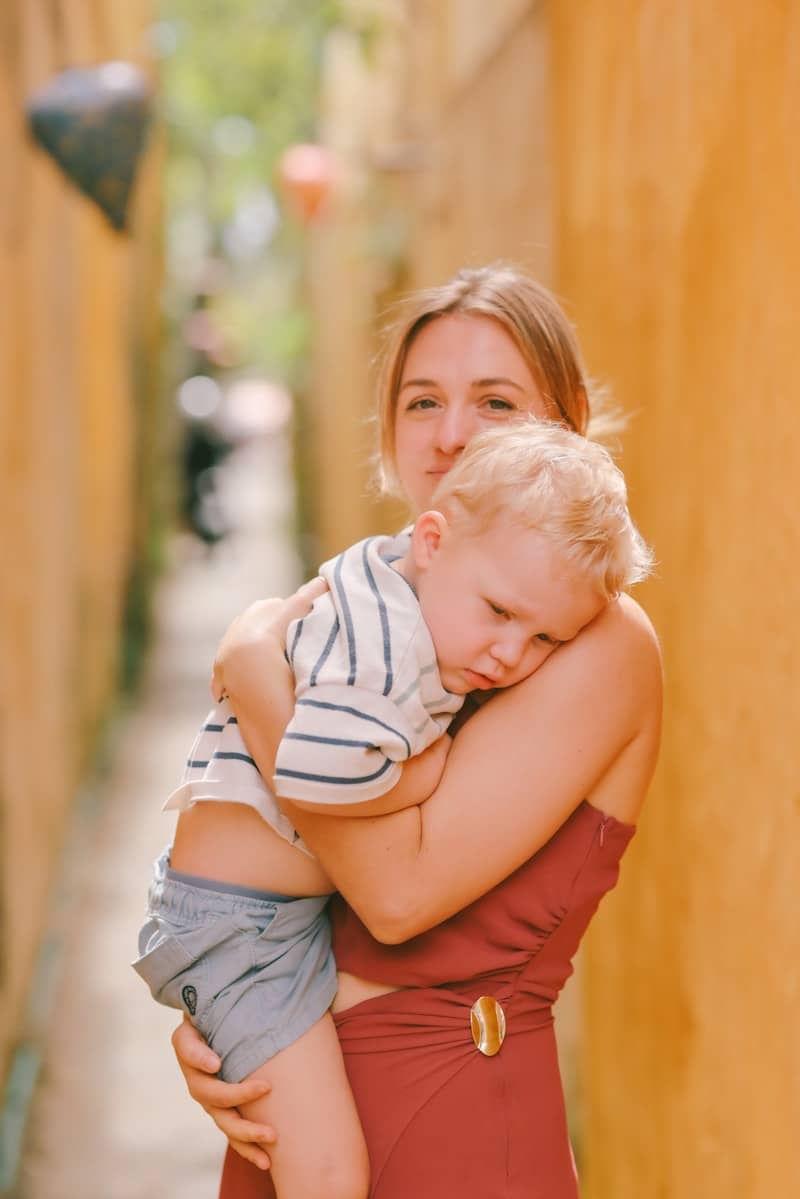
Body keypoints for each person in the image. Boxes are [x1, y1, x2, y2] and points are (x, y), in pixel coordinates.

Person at [170, 263, 664, 1199]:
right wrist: (222, 1008)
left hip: (453, 1119)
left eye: (496, 402)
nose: (450, 434)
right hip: (300, 1101)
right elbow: (273, 878)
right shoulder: (383, 625)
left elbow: (396, 894)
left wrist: (250, 666)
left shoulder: (597, 640)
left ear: (564, 429)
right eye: (422, 400)